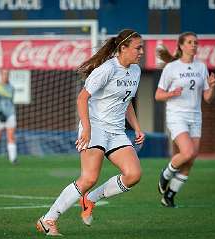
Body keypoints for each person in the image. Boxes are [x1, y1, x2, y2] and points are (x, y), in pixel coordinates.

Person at [36, 29, 145, 236]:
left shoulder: (136, 71)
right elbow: (81, 98)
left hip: (116, 130)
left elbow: (126, 101)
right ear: (123, 48)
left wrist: (137, 127)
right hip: (94, 126)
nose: (141, 52)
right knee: (88, 178)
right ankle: (48, 220)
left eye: (142, 48)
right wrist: (86, 128)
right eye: (138, 48)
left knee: (133, 175)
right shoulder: (107, 69)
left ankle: (90, 199)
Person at [155, 32, 215, 208]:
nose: (194, 45)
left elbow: (207, 98)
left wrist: (211, 87)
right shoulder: (171, 68)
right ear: (181, 46)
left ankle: (169, 197)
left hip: (196, 116)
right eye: (190, 42)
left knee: (191, 159)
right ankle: (165, 174)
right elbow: (158, 95)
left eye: (196, 42)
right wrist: (171, 94)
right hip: (177, 115)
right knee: (187, 152)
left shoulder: (201, 67)